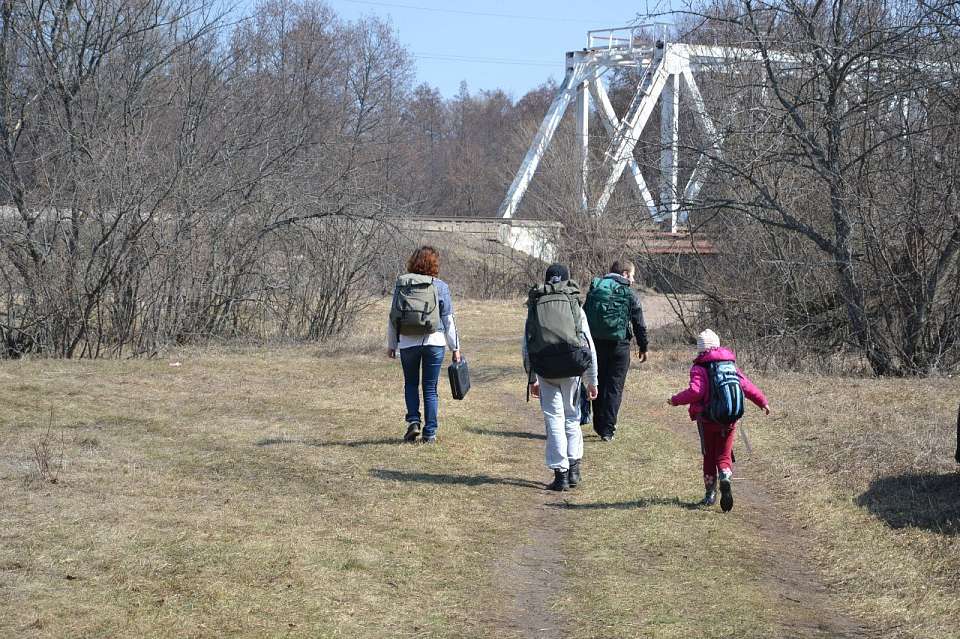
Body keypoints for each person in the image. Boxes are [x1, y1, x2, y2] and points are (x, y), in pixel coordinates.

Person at [667, 329, 770, 511]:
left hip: (707, 420)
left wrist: (675, 400)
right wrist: (762, 401)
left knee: (709, 456)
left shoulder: (699, 368)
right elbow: (747, 387)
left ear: (700, 349)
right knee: (724, 455)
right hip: (728, 420)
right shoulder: (729, 365)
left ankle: (710, 494)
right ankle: (725, 476)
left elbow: (696, 391)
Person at [522, 263, 599, 491]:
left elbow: (527, 345)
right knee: (572, 417)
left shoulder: (536, 303)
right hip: (572, 368)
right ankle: (574, 470)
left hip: (546, 370)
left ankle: (561, 475)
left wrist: (532, 378)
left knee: (553, 419)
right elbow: (588, 344)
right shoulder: (574, 304)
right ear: (567, 280)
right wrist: (592, 380)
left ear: (547, 280)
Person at [387, 246, 461, 444]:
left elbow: (393, 316)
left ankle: (413, 421)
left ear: (413, 262)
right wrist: (455, 348)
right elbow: (448, 320)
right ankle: (430, 432)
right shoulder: (440, 286)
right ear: (434, 264)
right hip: (434, 341)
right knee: (430, 388)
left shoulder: (402, 284)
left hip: (407, 342)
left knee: (411, 384)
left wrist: (392, 344)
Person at [583, 260, 648, 442]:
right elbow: (639, 323)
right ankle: (608, 430)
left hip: (596, 344)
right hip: (619, 346)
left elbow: (584, 315)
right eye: (632, 275)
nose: (633, 280)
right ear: (625, 274)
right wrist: (643, 346)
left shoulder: (596, 288)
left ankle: (598, 424)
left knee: (598, 381)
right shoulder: (628, 293)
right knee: (614, 387)